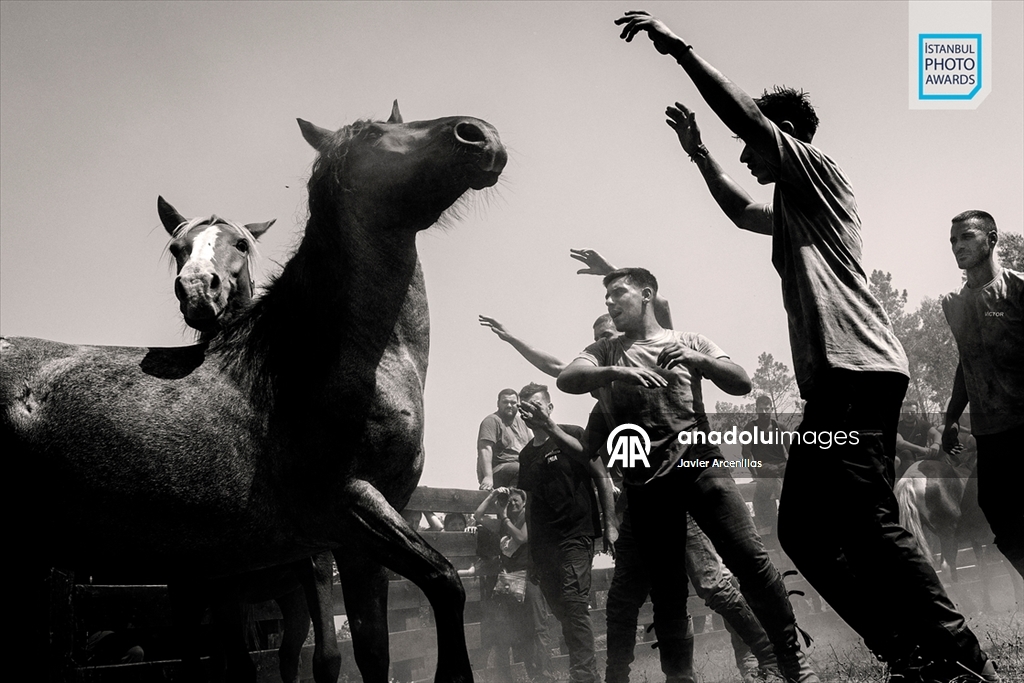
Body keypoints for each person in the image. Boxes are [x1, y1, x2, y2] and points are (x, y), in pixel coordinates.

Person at [614, 11, 996, 681]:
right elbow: (741, 211)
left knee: (868, 518)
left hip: (858, 375)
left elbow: (746, 119)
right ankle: (907, 651)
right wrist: (700, 155)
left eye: (751, 144)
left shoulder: (818, 171)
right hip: (838, 387)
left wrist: (677, 48)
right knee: (803, 529)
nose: (745, 155)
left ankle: (961, 656)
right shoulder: (795, 208)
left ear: (784, 134)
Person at [482, 249, 778, 682]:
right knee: (631, 598)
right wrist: (513, 341)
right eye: (602, 340)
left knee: (712, 582)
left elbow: (663, 315)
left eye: (612, 331)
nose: (610, 342)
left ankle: (761, 655)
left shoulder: (660, 353)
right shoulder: (601, 392)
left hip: (678, 486)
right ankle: (632, 677)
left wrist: (612, 272)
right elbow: (576, 416)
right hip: (638, 502)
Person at [558, 268, 816, 683]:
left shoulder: (689, 341)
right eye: (605, 296)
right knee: (667, 591)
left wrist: (700, 362)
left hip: (701, 467)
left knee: (751, 562)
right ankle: (680, 678)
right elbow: (567, 378)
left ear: (646, 295)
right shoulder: (605, 350)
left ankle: (792, 661)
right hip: (648, 486)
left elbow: (742, 382)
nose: (609, 301)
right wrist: (618, 373)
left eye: (617, 293)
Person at [941, 209, 1024, 578]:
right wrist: (950, 417)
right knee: (997, 514)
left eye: (967, 237)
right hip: (990, 433)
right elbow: (967, 361)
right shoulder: (954, 304)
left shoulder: (1018, 289)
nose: (958, 246)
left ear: (991, 240)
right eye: (953, 240)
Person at [517, 382, 617, 683]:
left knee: (574, 603)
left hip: (576, 534)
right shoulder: (525, 455)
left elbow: (601, 475)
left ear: (549, 408)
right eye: (525, 407)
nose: (530, 411)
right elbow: (530, 503)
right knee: (561, 610)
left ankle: (584, 676)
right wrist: (532, 553)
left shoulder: (572, 435)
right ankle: (584, 670)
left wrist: (610, 523)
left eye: (536, 405)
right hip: (544, 545)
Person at [470, 487, 553, 683]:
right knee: (518, 628)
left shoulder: (528, 520)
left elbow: (522, 538)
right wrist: (492, 496)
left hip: (529, 579)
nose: (513, 503)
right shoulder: (502, 523)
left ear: (524, 503)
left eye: (516, 500)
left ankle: (544, 675)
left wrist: (505, 518)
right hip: (509, 582)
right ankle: (529, 675)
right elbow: (477, 516)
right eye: (509, 501)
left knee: (538, 627)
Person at [741, 396, 789, 543]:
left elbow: (791, 451)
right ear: (756, 409)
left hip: (781, 466)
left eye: (767, 409)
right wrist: (755, 473)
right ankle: (773, 531)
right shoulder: (750, 428)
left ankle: (784, 527)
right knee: (763, 498)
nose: (764, 412)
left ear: (771, 409)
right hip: (764, 468)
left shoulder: (780, 427)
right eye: (761, 409)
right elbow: (746, 453)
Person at [477, 389, 533, 490]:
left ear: (518, 404)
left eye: (513, 402)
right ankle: (510, 496)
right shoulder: (492, 421)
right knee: (521, 470)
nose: (509, 405)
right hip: (499, 469)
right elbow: (485, 449)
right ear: (498, 403)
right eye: (505, 402)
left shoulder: (522, 422)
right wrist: (488, 477)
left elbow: (532, 447)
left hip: (521, 468)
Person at [895, 399, 942, 479]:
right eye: (906, 412)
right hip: (903, 457)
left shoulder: (923, 424)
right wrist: (921, 449)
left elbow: (936, 434)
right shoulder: (898, 426)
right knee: (907, 453)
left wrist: (936, 444)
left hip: (921, 456)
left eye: (912, 412)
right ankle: (910, 479)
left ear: (917, 412)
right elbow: (900, 443)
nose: (909, 415)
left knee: (941, 450)